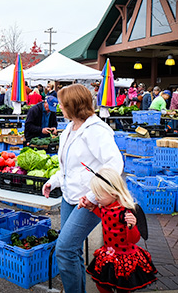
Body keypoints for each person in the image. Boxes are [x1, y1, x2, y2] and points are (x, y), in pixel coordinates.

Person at [42, 84, 124, 293]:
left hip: (89, 202)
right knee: (72, 249)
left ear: (73, 105)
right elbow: (69, 166)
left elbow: (114, 164)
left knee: (64, 249)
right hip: (70, 198)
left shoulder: (96, 131)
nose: (59, 106)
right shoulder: (69, 129)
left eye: (62, 103)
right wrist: (54, 181)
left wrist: (93, 195)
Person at [83, 168, 157, 292]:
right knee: (101, 284)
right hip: (109, 253)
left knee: (122, 287)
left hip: (124, 257)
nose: (95, 198)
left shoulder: (124, 212)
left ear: (112, 193)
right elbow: (105, 216)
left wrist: (132, 226)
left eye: (99, 195)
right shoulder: (105, 206)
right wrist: (91, 207)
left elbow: (134, 239)